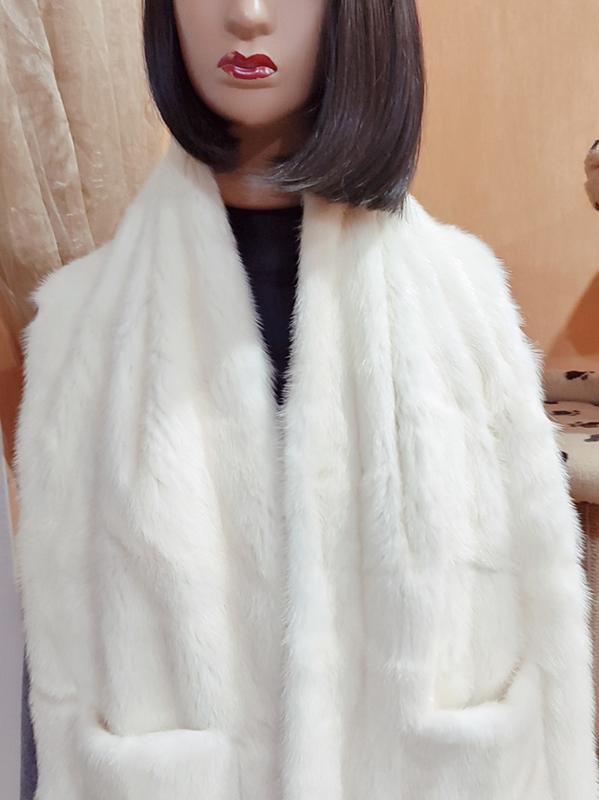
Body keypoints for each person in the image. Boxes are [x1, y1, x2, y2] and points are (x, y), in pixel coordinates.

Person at [13, 1, 598, 798]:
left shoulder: (469, 311)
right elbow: (60, 688)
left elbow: (548, 657)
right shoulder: (79, 331)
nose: (247, 15)